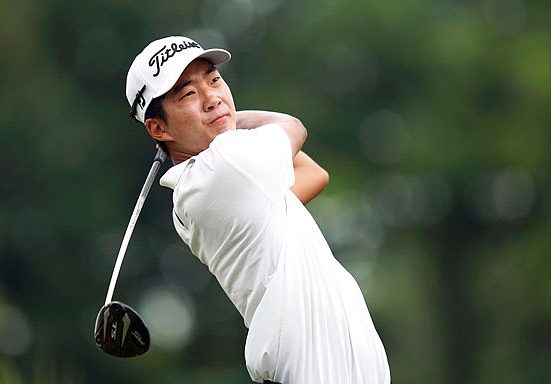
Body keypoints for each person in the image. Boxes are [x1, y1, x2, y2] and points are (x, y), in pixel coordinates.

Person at [126, 35, 391, 384]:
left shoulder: (233, 180)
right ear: (158, 128)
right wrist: (230, 117)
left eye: (215, 80)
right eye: (189, 94)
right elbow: (294, 127)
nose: (211, 98)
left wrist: (223, 117)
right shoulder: (224, 168)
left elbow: (313, 175)